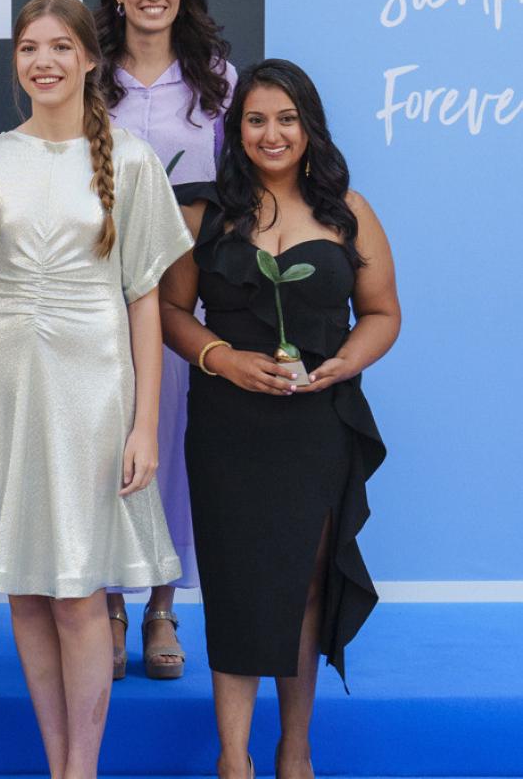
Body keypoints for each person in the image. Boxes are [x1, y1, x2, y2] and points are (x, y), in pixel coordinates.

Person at [0, 0, 191, 779]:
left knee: (79, 592)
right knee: (25, 593)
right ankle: (58, 766)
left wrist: (145, 423)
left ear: (88, 57)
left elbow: (145, 298)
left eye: (58, 47)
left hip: (94, 391)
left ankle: (84, 768)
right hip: (3, 389)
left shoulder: (135, 161)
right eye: (28, 48)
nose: (42, 61)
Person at [160, 59, 397, 779]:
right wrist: (224, 359)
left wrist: (345, 362)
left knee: (305, 583)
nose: (272, 133)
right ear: (237, 130)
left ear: (309, 127)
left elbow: (382, 314)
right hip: (229, 426)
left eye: (286, 118)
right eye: (256, 119)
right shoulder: (204, 212)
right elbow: (170, 312)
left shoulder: (347, 212)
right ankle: (235, 760)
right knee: (236, 585)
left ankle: (296, 752)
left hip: (319, 422)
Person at [95, 0, 238, 679]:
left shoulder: (216, 79)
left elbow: (236, 188)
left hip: (181, 300)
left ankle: (158, 605)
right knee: (101, 448)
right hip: (93, 295)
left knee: (168, 448)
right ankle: (108, 605)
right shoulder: (91, 77)